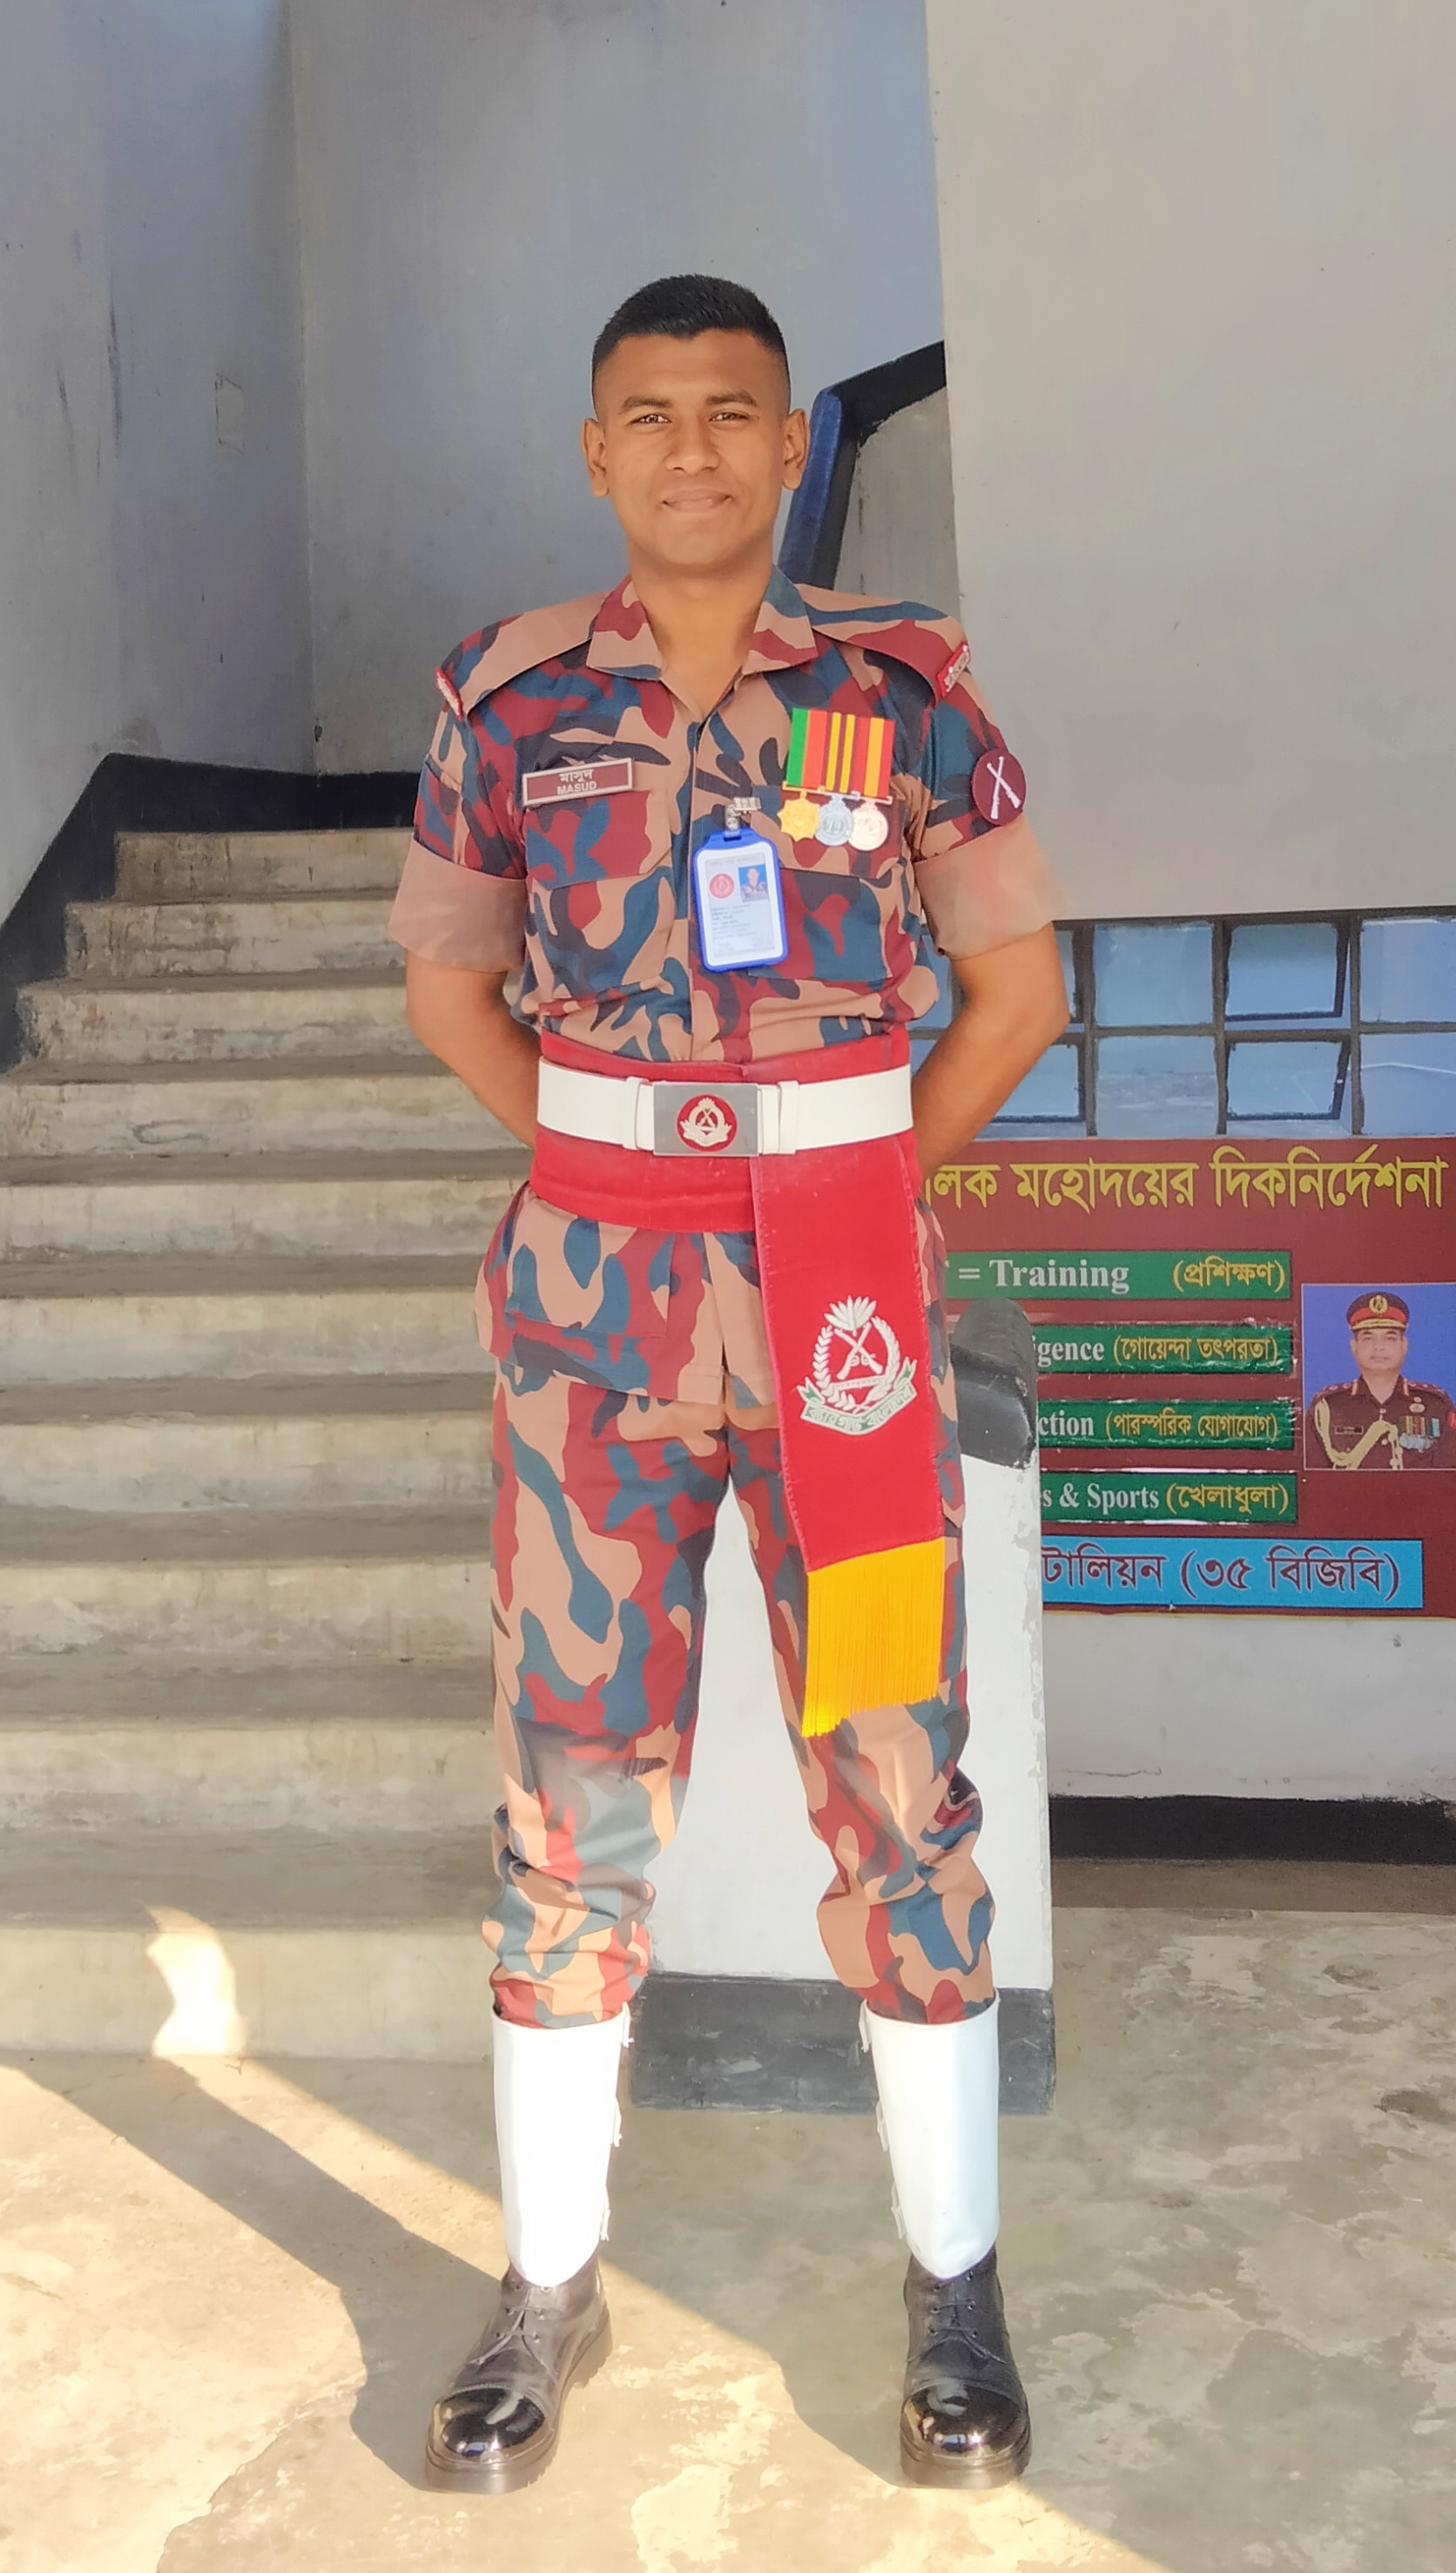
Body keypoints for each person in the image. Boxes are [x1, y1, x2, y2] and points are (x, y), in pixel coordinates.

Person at [389, 273, 1068, 2495]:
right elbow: (451, 986)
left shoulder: (903, 693)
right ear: (595, 452)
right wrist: (625, 1170)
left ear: (791, 446)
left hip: (840, 1343)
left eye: (731, 411)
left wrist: (845, 1192)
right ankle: (544, 2284)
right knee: (569, 1792)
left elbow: (1012, 990)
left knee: (893, 1769)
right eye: (648, 414)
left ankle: (950, 2287)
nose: (690, 447)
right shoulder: (507, 703)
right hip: (593, 1336)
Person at [1304, 1291, 1456, 1469]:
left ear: (1404, 1345)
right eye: (1368, 1338)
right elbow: (1313, 1477)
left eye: (1390, 1338)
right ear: (1354, 1346)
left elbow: (1449, 1476)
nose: (1379, 1347)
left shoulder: (1436, 1405)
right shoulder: (1327, 1407)